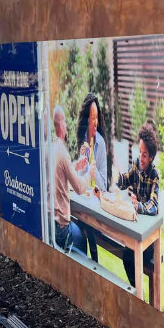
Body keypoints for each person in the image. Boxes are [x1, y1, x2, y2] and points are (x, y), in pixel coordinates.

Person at [116, 121, 160, 288]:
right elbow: (124, 181)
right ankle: (136, 292)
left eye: (144, 155)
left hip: (147, 236)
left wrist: (138, 206)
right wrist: (117, 175)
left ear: (151, 157)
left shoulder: (154, 175)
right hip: (135, 230)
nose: (141, 158)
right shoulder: (136, 164)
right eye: (140, 153)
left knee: (129, 258)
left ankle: (137, 294)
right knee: (126, 256)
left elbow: (154, 206)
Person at [75, 93, 108, 260]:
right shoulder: (81, 141)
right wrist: (83, 163)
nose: (95, 122)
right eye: (92, 117)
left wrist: (92, 168)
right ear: (86, 119)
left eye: (97, 117)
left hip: (95, 202)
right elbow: (78, 179)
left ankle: (93, 262)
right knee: (81, 227)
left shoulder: (100, 143)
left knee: (89, 230)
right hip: (82, 200)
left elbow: (104, 186)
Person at [51, 105, 88, 253]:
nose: (66, 126)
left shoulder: (53, 147)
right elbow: (79, 187)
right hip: (62, 230)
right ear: (61, 124)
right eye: (65, 122)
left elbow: (60, 171)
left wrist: (74, 166)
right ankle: (85, 273)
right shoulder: (62, 151)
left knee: (82, 232)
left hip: (52, 224)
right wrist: (89, 174)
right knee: (82, 239)